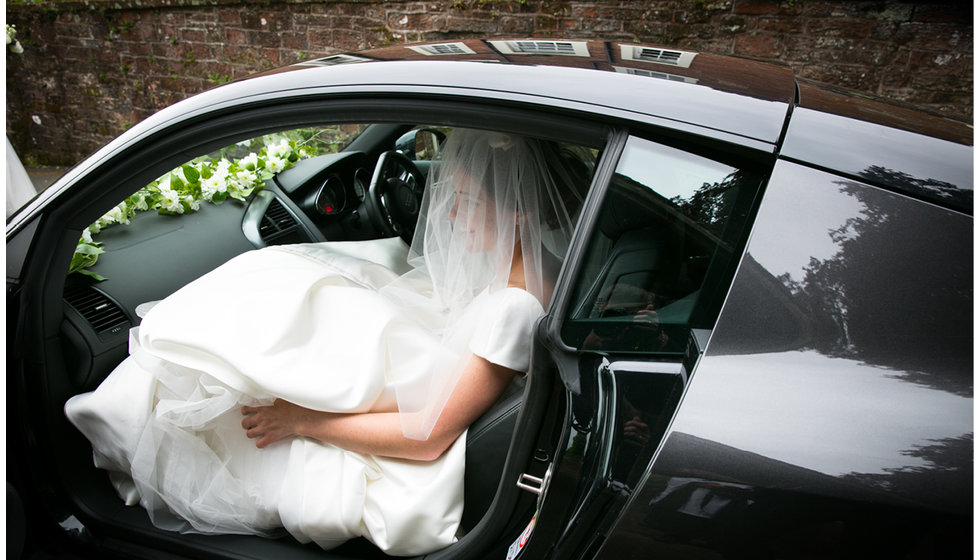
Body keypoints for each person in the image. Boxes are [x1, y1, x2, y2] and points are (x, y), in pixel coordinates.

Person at [64, 128, 580, 556]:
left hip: (417, 421)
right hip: (425, 364)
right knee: (293, 281)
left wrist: (302, 420)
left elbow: (429, 437)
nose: (446, 216)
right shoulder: (544, 270)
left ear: (520, 210)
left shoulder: (517, 306)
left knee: (273, 313)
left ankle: (117, 426)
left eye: (464, 202)